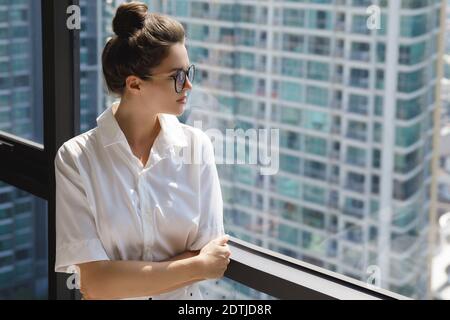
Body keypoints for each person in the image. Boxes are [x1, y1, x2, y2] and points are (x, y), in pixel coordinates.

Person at [54, 1, 231, 300]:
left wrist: (121, 276)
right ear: (135, 84)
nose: (188, 86)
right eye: (177, 76)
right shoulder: (76, 158)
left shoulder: (197, 146)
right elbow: (95, 284)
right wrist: (195, 265)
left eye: (189, 72)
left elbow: (211, 256)